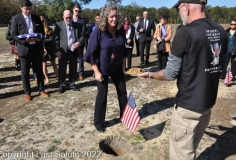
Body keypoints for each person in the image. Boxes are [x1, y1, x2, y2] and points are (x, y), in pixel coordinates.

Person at [138, 0, 227, 159]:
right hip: (207, 105)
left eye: (179, 8)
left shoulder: (184, 32)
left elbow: (170, 73)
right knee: (190, 149)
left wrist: (150, 75)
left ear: (186, 6)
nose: (179, 13)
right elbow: (221, 65)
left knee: (181, 154)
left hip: (188, 107)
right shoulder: (220, 30)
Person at [83, 4, 127, 133]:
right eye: (111, 16)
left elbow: (123, 51)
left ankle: (124, 116)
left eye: (116, 16)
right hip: (101, 68)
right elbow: (91, 53)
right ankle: (99, 122)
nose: (114, 19)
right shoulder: (98, 31)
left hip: (117, 67)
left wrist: (123, 67)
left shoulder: (120, 31)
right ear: (105, 17)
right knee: (102, 95)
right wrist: (96, 71)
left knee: (123, 92)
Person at [11, 0, 49, 101]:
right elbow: (13, 35)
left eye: (30, 9)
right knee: (25, 72)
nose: (28, 11)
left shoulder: (36, 18)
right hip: (24, 49)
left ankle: (41, 90)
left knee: (39, 71)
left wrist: (40, 38)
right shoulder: (16, 19)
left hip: (36, 48)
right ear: (21, 8)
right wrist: (25, 41)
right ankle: (27, 92)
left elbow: (42, 32)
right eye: (26, 9)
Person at [53, 10, 84, 94]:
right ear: (63, 17)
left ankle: (72, 83)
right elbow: (54, 39)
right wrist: (57, 51)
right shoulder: (59, 25)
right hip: (63, 51)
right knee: (62, 69)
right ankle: (61, 85)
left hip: (73, 51)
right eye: (66, 18)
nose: (68, 19)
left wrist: (79, 42)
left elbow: (83, 36)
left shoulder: (77, 25)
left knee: (73, 69)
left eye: (70, 17)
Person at [40, 16, 58, 83]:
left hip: (50, 49)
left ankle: (58, 76)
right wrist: (43, 46)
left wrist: (42, 40)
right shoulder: (37, 30)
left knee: (53, 63)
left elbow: (51, 39)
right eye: (40, 21)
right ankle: (47, 78)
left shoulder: (49, 29)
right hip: (42, 49)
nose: (41, 22)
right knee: (44, 64)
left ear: (45, 21)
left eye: (42, 21)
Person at [72, 3, 86, 81]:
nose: (77, 12)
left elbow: (84, 33)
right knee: (73, 59)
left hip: (79, 43)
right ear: (73, 10)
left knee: (80, 58)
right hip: (71, 43)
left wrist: (79, 42)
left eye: (78, 11)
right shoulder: (69, 19)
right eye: (76, 10)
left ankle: (80, 73)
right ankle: (74, 74)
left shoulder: (82, 20)